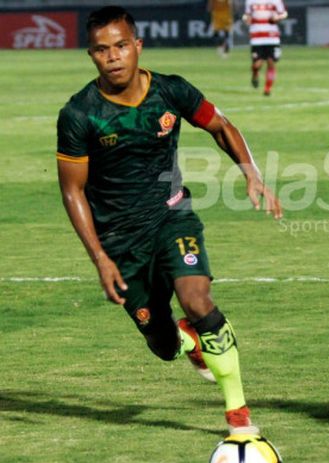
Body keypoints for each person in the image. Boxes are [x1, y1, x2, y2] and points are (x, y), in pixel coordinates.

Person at [56, 6, 282, 436]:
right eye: (102, 50)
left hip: (172, 217)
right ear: (91, 55)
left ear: (137, 46)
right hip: (120, 241)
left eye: (122, 45)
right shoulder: (79, 114)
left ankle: (239, 416)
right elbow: (72, 191)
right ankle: (188, 343)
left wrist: (250, 171)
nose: (114, 57)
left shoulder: (170, 91)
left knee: (197, 300)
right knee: (162, 345)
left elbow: (221, 126)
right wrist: (100, 258)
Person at [242, 0, 287, 96]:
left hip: (272, 37)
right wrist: (246, 19)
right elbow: (246, 15)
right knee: (257, 65)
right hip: (256, 38)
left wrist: (277, 17)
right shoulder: (250, 1)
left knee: (271, 62)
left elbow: (284, 13)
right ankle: (255, 74)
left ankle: (267, 89)